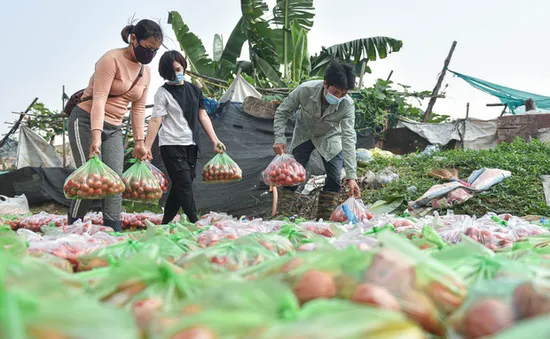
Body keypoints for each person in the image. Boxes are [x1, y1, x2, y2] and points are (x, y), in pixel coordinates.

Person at [67, 19, 163, 231]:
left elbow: (137, 109)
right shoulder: (111, 60)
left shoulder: (145, 72)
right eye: (148, 48)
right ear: (133, 39)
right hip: (85, 121)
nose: (151, 55)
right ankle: (74, 225)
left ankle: (113, 228)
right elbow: (99, 99)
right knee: (90, 179)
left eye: (155, 51)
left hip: (114, 128)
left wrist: (140, 143)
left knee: (116, 182)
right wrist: (95, 137)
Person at [272, 59, 360, 220]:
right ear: (325, 84)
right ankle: (282, 216)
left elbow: (348, 137)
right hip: (304, 133)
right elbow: (282, 111)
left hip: (330, 137)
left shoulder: (347, 105)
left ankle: (323, 220)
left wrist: (351, 176)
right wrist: (279, 138)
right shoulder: (305, 90)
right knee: (292, 175)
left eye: (343, 94)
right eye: (335, 93)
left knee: (334, 178)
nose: (339, 97)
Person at [145, 50, 225, 224]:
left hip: (191, 145)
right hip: (170, 145)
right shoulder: (162, 93)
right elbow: (155, 120)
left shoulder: (195, 90)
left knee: (181, 184)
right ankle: (195, 222)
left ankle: (165, 224)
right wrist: (146, 146)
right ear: (165, 74)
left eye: (178, 69)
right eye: (171, 72)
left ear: (183, 67)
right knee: (184, 184)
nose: (176, 74)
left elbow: (202, 116)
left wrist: (214, 140)